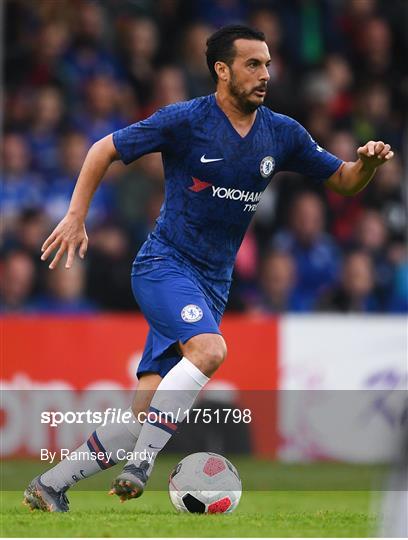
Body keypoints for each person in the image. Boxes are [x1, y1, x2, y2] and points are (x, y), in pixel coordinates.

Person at [24, 25, 394, 512]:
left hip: (211, 285)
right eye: (253, 65)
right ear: (222, 70)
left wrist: (366, 163)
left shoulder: (281, 133)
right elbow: (103, 149)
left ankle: (50, 486)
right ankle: (142, 465)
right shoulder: (185, 120)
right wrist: (75, 216)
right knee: (211, 349)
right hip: (163, 264)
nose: (266, 74)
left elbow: (344, 181)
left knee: (144, 415)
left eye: (267, 64)